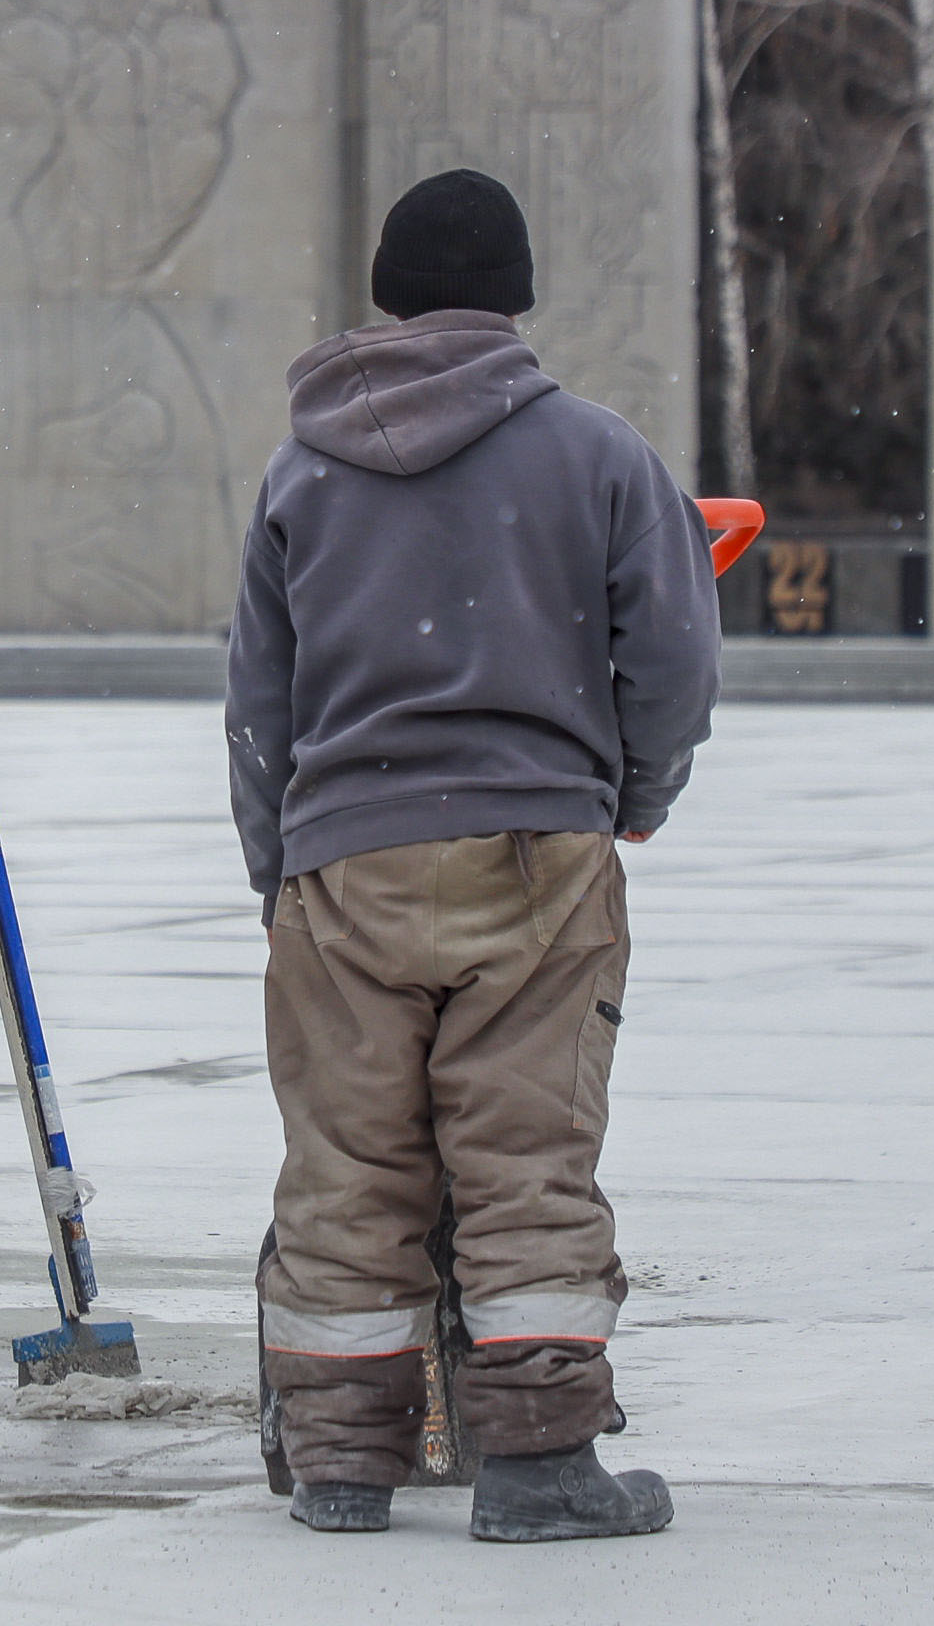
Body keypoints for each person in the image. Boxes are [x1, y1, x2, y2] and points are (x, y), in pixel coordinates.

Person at [227, 169, 717, 1543]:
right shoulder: (600, 453)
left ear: (384, 292)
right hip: (537, 853)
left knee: (350, 1167)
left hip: (341, 862)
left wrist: (282, 863)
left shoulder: (299, 466)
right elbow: (674, 658)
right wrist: (636, 788)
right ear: (517, 297)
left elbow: (259, 699)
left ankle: (341, 1462)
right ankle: (542, 1465)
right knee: (526, 1154)